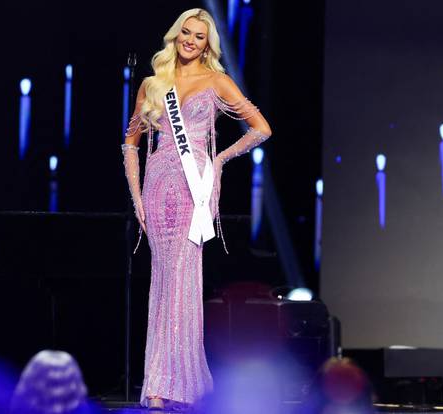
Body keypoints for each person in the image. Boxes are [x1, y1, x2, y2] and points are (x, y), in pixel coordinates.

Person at [121, 8, 272, 410]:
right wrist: (137, 197)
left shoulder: (217, 81)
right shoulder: (154, 84)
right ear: (176, 36)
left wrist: (219, 160)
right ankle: (161, 381)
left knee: (183, 282)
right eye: (185, 33)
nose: (190, 40)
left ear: (208, 44)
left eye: (199, 36)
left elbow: (261, 128)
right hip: (156, 189)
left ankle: (172, 384)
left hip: (195, 188)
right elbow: (131, 144)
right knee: (163, 281)